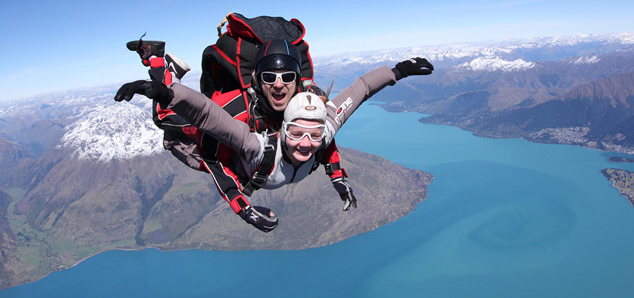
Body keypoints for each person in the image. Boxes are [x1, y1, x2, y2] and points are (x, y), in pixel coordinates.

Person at [115, 56, 434, 232]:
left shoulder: (324, 131)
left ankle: (165, 77)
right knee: (167, 126)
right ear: (282, 132)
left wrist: (399, 70)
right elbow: (206, 115)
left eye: (313, 135)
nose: (306, 145)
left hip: (251, 163)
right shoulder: (254, 146)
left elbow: (361, 89)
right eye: (296, 134)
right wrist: (242, 208)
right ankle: (160, 65)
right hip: (212, 146)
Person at [127, 37, 353, 211]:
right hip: (213, 121)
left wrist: (336, 174)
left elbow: (320, 135)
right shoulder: (238, 107)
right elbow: (210, 153)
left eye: (286, 77)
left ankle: (167, 70)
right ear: (258, 79)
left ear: (296, 78)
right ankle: (156, 59)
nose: (278, 85)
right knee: (163, 117)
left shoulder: (310, 100)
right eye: (269, 77)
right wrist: (240, 204)